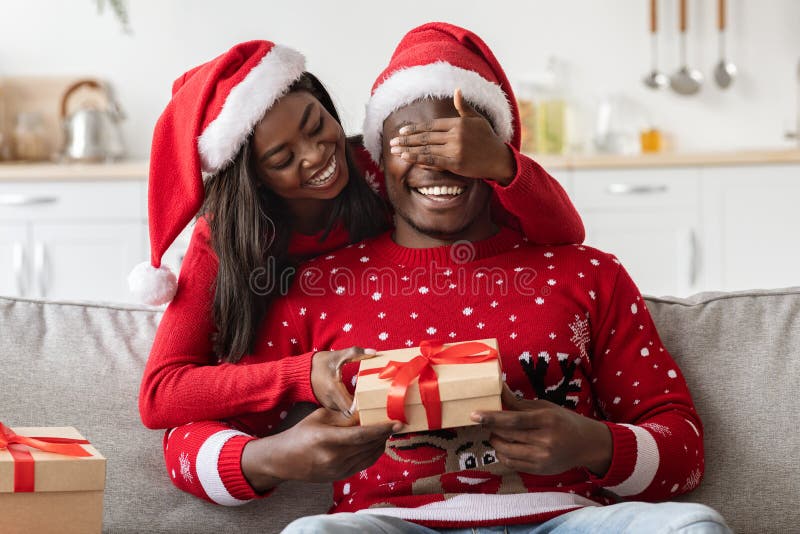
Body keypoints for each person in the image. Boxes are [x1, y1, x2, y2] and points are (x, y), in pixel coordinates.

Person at [157, 23, 730, 533]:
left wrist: (593, 443)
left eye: (460, 144)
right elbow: (181, 431)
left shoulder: (586, 273)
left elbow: (685, 448)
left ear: (496, 151)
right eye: (410, 144)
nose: (435, 163)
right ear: (379, 159)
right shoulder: (315, 288)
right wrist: (274, 457)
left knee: (695, 525)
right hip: (388, 522)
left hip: (572, 516)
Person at [135, 37, 585, 432]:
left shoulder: (381, 171)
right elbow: (160, 393)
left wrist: (503, 163)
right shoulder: (223, 237)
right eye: (282, 159)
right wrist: (299, 376)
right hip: (302, 377)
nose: (316, 156)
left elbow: (562, 232)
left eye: (316, 126)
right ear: (252, 178)